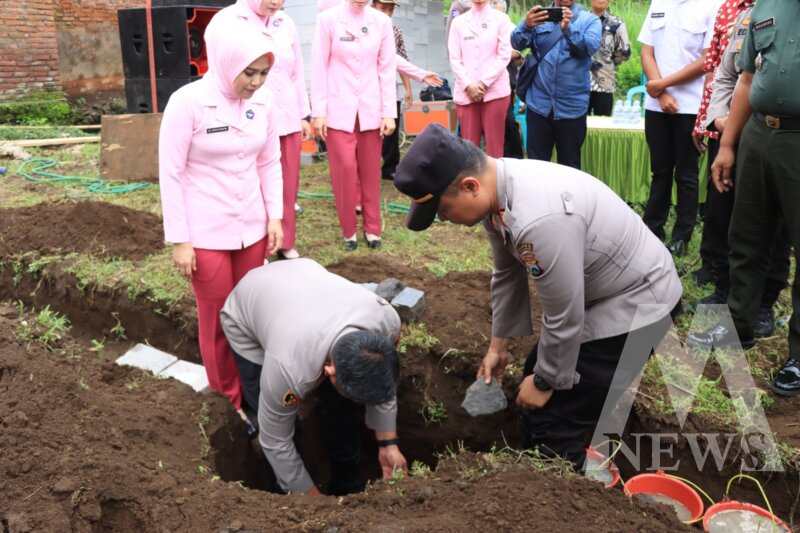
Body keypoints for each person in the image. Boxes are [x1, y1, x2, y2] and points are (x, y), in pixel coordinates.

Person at [393, 124, 682, 466]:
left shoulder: (540, 219)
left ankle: (559, 486)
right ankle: (539, 462)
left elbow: (564, 314)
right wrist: (497, 347)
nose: (445, 219)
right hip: (605, 294)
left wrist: (546, 382)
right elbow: (506, 273)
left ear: (469, 186)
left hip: (639, 304)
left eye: (443, 211)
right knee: (539, 371)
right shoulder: (496, 190)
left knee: (556, 414)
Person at [158, 19, 283, 414]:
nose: (257, 82)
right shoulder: (188, 101)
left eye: (264, 73)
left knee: (251, 314)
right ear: (227, 63)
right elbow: (172, 172)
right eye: (250, 72)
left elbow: (269, 161)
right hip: (205, 231)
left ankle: (254, 389)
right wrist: (180, 239)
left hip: (251, 226)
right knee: (217, 317)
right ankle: (227, 397)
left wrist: (274, 217)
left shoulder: (263, 102)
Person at [688, 0, 800, 398]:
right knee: (745, 236)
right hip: (757, 132)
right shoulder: (766, 7)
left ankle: (798, 356)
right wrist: (728, 145)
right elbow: (747, 78)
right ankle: (738, 325)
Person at [220, 258, 408, 495]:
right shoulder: (286, 369)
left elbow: (383, 384)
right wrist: (311, 503)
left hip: (304, 276)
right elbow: (275, 440)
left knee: (343, 412)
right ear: (329, 372)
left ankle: (347, 482)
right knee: (282, 420)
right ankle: (281, 490)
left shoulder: (387, 321)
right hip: (248, 306)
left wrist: (388, 445)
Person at [211, 0, 312, 261]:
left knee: (288, 183)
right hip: (247, 116)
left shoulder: (286, 22)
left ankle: (285, 240)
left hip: (286, 115)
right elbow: (217, 75)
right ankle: (257, 244)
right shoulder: (226, 21)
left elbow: (297, 72)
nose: (276, 2)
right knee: (251, 182)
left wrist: (303, 113)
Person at [311, 0, 397, 251]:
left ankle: (373, 228)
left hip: (371, 106)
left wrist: (388, 112)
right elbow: (319, 66)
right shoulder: (328, 19)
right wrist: (319, 111)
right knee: (345, 169)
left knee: (371, 170)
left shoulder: (381, 21)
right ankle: (348, 229)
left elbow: (387, 68)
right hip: (338, 107)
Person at [637, 0, 717, 256]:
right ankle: (652, 229)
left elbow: (706, 61)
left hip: (690, 106)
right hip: (656, 105)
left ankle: (682, 235)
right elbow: (647, 51)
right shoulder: (659, 2)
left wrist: (662, 84)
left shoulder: (712, 6)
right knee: (659, 170)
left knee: (686, 174)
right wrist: (660, 94)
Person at [511, 1, 601, 169]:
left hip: (571, 107)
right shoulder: (539, 16)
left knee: (570, 166)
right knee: (536, 165)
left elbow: (589, 48)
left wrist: (568, 28)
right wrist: (526, 25)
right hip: (539, 105)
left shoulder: (589, 20)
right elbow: (517, 43)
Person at [372, 0, 444, 181]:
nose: (387, 12)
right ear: (373, 5)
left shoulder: (394, 31)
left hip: (388, 88)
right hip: (367, 91)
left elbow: (400, 60)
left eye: (390, 8)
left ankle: (389, 167)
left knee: (391, 131)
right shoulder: (363, 26)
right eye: (383, 7)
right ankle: (366, 169)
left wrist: (408, 88)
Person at [448, 0, 513, 158]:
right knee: (469, 150)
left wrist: (483, 83)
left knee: (495, 148)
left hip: (495, 91)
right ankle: (472, 182)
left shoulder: (501, 20)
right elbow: (455, 59)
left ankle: (495, 182)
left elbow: (504, 55)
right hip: (466, 91)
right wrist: (469, 85)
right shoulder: (458, 23)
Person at [492, 0, 525, 158]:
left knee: (507, 121)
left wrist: (512, 53)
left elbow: (519, 55)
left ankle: (513, 157)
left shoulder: (511, 28)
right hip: (484, 85)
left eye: (496, 4)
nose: (493, 6)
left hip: (505, 83)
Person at [587, 0, 630, 116]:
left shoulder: (617, 23)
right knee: (576, 125)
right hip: (580, 83)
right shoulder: (580, 20)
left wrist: (607, 63)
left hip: (605, 83)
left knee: (603, 126)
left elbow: (625, 52)